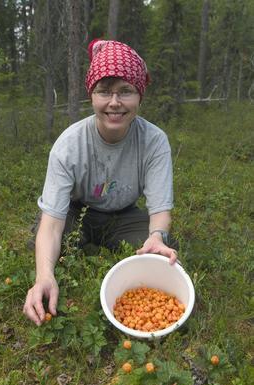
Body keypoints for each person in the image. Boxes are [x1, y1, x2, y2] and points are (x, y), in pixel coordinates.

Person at [23, 39, 178, 326]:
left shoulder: (154, 141)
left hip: (124, 215)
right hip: (76, 212)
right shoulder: (69, 145)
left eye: (126, 91)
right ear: (92, 95)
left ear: (139, 97)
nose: (115, 102)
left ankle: (120, 245)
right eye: (104, 91)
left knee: (162, 253)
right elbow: (53, 221)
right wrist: (43, 276)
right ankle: (60, 266)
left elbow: (159, 209)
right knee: (45, 242)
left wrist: (157, 237)